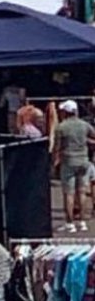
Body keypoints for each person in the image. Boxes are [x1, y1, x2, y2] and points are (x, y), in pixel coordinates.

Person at [54, 100, 95, 233]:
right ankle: (82, 222)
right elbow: (93, 135)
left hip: (68, 161)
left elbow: (57, 147)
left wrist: (54, 161)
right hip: (83, 160)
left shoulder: (61, 127)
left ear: (65, 112)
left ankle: (70, 223)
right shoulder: (84, 125)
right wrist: (87, 142)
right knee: (82, 192)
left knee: (69, 193)